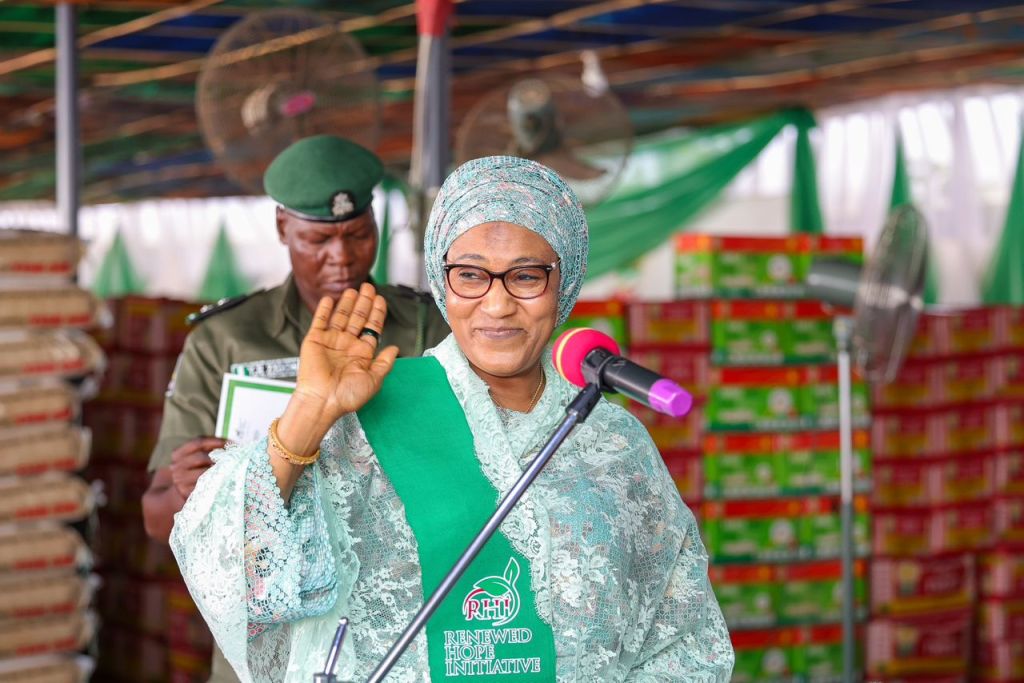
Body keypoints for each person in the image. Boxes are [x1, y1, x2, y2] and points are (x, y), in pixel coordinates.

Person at [169, 156, 734, 682]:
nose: (496, 304)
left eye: (527, 276)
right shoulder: (365, 420)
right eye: (470, 275)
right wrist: (309, 415)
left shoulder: (613, 439)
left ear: (565, 282)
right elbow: (237, 581)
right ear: (443, 282)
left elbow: (682, 633)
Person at [141, 135, 449, 683]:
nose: (342, 257)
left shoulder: (425, 326)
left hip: (401, 627)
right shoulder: (226, 339)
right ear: (283, 228)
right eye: (318, 240)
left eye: (358, 235)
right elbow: (155, 516)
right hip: (270, 644)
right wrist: (195, 494)